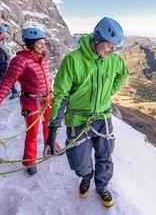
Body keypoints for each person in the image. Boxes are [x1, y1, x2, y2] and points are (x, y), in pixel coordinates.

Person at [46, 17, 128, 207]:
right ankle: (86, 177)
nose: (112, 50)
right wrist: (53, 128)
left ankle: (101, 187)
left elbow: (123, 73)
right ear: (97, 39)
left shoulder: (114, 61)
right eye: (109, 46)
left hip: (103, 117)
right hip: (78, 119)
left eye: (115, 47)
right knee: (79, 161)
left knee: (105, 156)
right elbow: (60, 96)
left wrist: (111, 91)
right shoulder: (73, 61)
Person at [0, 27, 60, 175]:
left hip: (48, 98)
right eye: (39, 43)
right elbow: (7, 81)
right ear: (30, 44)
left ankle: (51, 145)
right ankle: (29, 161)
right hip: (31, 102)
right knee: (32, 133)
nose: (43, 46)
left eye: (43, 43)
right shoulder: (20, 61)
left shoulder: (42, 57)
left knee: (49, 126)